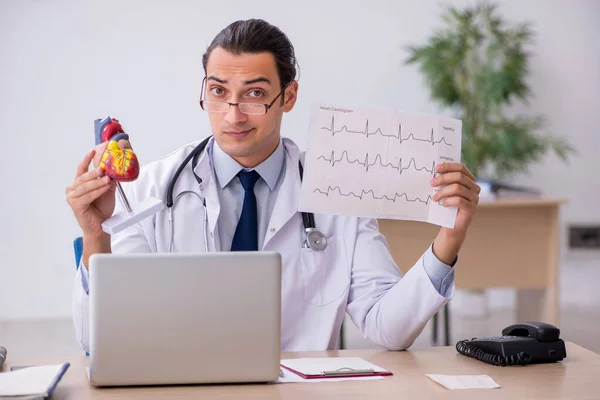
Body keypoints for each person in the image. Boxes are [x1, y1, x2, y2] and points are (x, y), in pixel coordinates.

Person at [66, 19, 480, 353]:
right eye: (217, 92)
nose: (233, 115)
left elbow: (387, 328)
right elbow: (101, 341)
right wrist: (93, 236)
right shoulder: (150, 191)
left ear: (289, 96)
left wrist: (449, 238)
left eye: (255, 94)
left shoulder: (337, 192)